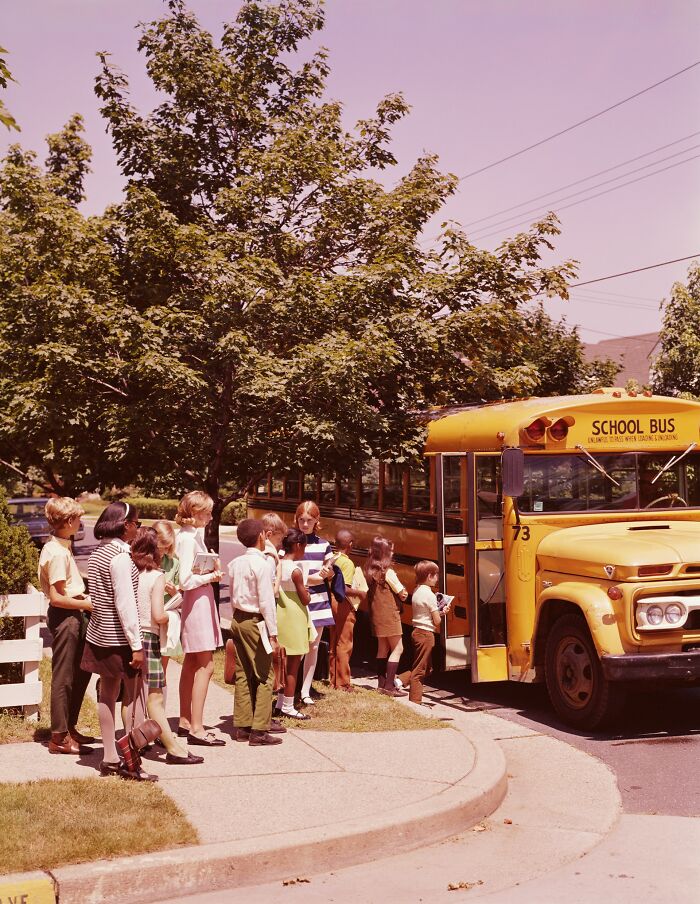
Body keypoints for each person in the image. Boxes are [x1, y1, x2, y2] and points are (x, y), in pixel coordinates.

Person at [81, 501, 156, 780]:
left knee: (107, 694)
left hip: (100, 634)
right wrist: (136, 645)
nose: (137, 529)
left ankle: (111, 756)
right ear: (126, 525)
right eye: (136, 524)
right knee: (132, 697)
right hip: (121, 638)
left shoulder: (97, 553)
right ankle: (131, 760)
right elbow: (125, 604)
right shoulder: (121, 558)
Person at [131, 527, 203, 765]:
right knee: (155, 697)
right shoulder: (157, 576)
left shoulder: (133, 572)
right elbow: (158, 615)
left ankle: (134, 744)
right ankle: (173, 748)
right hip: (150, 637)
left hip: (131, 637)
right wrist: (175, 614)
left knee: (131, 697)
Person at [38, 497, 94, 755]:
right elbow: (58, 597)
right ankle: (59, 736)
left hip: (75, 615)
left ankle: (69, 727)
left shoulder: (59, 546)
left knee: (80, 672)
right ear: (69, 521)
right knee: (64, 677)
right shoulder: (58, 553)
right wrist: (88, 605)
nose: (81, 522)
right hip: (67, 618)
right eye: (79, 519)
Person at [229, 518, 286, 745]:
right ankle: (259, 730)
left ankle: (242, 725)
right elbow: (266, 602)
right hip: (256, 621)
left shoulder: (235, 563)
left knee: (243, 673)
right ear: (262, 536)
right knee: (264, 675)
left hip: (238, 619)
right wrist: (273, 634)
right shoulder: (261, 565)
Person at [175, 491, 225, 747]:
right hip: (197, 600)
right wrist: (211, 577)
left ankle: (186, 719)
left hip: (199, 600)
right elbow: (185, 580)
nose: (209, 516)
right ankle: (197, 726)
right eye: (205, 512)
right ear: (193, 513)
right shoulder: (187, 539)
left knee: (192, 662)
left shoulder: (191, 537)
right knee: (206, 665)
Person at [295, 501, 334, 706]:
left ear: (317, 521)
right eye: (301, 520)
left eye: (309, 520)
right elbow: (288, 572)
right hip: (297, 600)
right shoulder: (290, 542)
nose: (305, 524)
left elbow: (328, 571)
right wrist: (314, 578)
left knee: (314, 646)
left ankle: (305, 690)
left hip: (319, 600)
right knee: (296, 646)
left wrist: (327, 573)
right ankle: (290, 687)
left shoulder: (324, 545)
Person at [360, 536, 408, 697]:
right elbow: (402, 594)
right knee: (398, 648)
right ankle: (389, 686)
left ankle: (381, 683)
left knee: (383, 648)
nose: (393, 553)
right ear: (385, 553)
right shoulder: (388, 572)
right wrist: (405, 593)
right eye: (391, 550)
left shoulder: (369, 570)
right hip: (389, 615)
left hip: (376, 615)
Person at [397, 561, 449, 704]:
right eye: (435, 575)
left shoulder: (417, 591)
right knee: (420, 670)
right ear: (429, 576)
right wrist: (442, 613)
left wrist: (438, 612)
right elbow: (437, 621)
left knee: (427, 668)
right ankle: (415, 701)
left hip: (417, 632)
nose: (437, 578)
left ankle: (399, 680)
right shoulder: (430, 595)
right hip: (426, 634)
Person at [275, 528, 311, 719]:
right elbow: (305, 599)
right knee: (293, 665)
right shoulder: (296, 571)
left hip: (281, 615)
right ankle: (289, 704)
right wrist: (307, 592)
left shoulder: (278, 565)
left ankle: (280, 702)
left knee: (282, 662)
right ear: (297, 545)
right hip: (295, 617)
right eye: (304, 546)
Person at [328, 528, 364, 691]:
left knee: (334, 641)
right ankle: (343, 683)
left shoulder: (331, 558)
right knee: (344, 643)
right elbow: (345, 588)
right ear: (350, 545)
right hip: (342, 603)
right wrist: (360, 593)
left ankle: (333, 679)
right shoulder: (347, 563)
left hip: (330, 601)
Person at [152, 520, 182, 685]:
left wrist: (174, 592)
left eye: (166, 546)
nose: (162, 550)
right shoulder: (145, 560)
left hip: (166, 621)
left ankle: (158, 704)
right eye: (159, 546)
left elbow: (181, 594)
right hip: (148, 619)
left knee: (161, 672)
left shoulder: (174, 563)